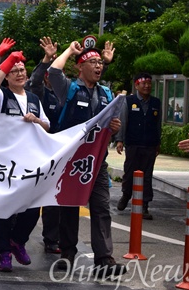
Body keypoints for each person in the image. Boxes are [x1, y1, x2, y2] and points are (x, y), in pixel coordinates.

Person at [47, 40, 126, 277]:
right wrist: (70, 51)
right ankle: (67, 253)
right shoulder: (69, 89)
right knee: (69, 207)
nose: (99, 65)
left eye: (100, 62)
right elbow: (53, 71)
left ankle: (104, 259)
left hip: (97, 161)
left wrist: (114, 127)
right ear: (80, 67)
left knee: (102, 208)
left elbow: (109, 126)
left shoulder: (106, 93)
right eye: (93, 62)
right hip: (72, 162)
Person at [0, 50, 50, 272]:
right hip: (4, 164)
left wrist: (36, 121)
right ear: (7, 76)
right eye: (14, 71)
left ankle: (17, 241)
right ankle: (4, 252)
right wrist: (8, 61)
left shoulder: (33, 99)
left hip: (29, 164)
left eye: (22, 70)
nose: (19, 74)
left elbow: (48, 126)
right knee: (3, 209)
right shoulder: (1, 96)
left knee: (32, 208)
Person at [26, 37, 63, 254]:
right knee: (29, 195)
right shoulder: (39, 94)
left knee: (54, 199)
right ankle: (16, 232)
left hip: (60, 152)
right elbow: (35, 81)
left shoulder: (68, 94)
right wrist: (46, 60)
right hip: (37, 152)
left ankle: (52, 239)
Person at [115, 73, 162, 220]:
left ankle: (144, 205)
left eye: (149, 83)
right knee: (130, 173)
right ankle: (126, 195)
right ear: (136, 85)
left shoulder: (156, 102)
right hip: (133, 144)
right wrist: (120, 140)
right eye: (144, 83)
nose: (147, 86)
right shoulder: (129, 101)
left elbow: (158, 124)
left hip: (150, 145)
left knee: (147, 176)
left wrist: (158, 142)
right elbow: (123, 120)